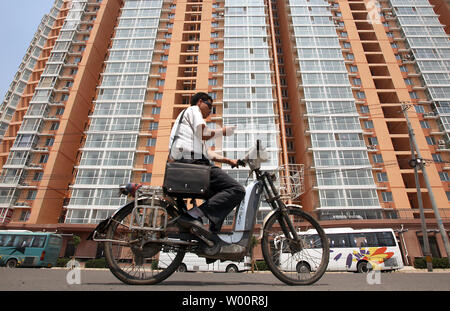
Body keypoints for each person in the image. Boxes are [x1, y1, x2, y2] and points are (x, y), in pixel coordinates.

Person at [168, 92, 246, 236]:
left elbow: (208, 154)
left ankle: (211, 239)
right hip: (191, 163)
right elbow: (204, 132)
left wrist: (229, 161)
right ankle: (193, 215)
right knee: (237, 190)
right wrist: (223, 131)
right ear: (199, 102)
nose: (210, 110)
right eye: (209, 105)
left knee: (222, 198)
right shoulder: (193, 110)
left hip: (188, 162)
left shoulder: (191, 130)